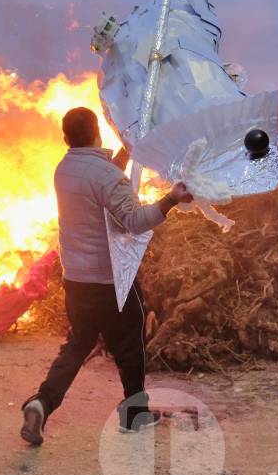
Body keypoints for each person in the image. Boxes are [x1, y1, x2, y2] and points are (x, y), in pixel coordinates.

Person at [20, 108, 193, 446]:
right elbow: (134, 221)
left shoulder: (64, 170)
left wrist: (126, 155)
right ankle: (134, 413)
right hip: (112, 281)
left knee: (77, 344)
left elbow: (96, 182)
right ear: (97, 131)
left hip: (77, 280)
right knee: (131, 345)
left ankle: (42, 401)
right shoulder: (106, 177)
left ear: (66, 137)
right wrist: (171, 199)